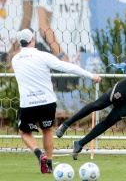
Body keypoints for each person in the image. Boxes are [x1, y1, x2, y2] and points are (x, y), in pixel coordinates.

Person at [12, 28, 101, 173]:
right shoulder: (43, 56)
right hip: (47, 102)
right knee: (47, 131)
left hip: (28, 103)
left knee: (24, 133)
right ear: (32, 39)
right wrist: (91, 76)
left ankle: (39, 154)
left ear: (19, 43)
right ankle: (49, 164)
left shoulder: (15, 59)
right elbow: (67, 67)